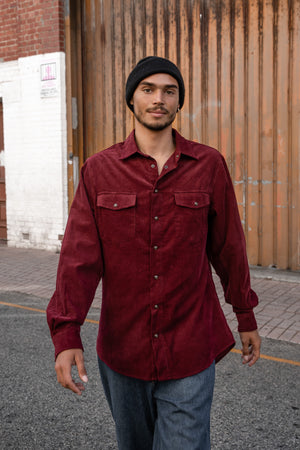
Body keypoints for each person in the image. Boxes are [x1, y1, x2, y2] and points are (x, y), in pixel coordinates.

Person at [47, 56, 261, 450]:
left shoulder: (208, 165)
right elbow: (78, 260)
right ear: (132, 99)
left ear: (179, 102)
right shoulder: (99, 170)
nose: (158, 98)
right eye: (148, 89)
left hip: (190, 349)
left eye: (169, 90)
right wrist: (66, 333)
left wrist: (244, 313)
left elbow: (229, 247)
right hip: (123, 352)